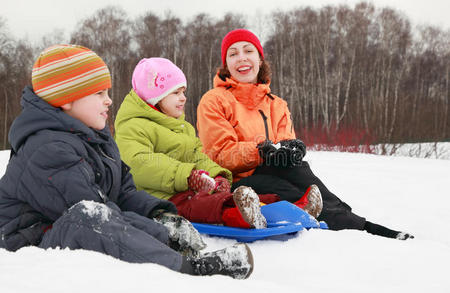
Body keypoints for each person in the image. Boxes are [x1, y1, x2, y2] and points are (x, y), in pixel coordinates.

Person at [0, 44, 254, 279]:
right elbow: (96, 214)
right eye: (99, 93)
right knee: (88, 216)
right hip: (29, 247)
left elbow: (123, 193)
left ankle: (169, 254)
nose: (109, 100)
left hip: (66, 230)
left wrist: (162, 218)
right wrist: (160, 235)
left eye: (108, 92)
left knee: (97, 216)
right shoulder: (47, 150)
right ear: (66, 100)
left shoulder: (96, 138)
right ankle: (187, 271)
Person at [196, 29, 413, 240]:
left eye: (248, 51)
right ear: (226, 64)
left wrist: (291, 149)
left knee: (300, 169)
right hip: (237, 182)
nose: (241, 58)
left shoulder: (276, 104)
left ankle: (353, 221)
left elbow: (284, 142)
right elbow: (219, 154)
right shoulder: (214, 100)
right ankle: (354, 226)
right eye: (233, 54)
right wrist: (261, 151)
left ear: (260, 59)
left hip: (274, 171)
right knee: (284, 189)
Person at [114, 57, 268, 230]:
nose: (183, 98)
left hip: (185, 191)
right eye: (175, 93)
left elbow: (196, 156)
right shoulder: (133, 126)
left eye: (183, 92)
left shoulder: (181, 127)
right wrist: (186, 176)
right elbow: (139, 163)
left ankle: (267, 207)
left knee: (221, 198)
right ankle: (240, 216)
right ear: (154, 97)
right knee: (201, 206)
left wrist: (217, 176)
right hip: (159, 199)